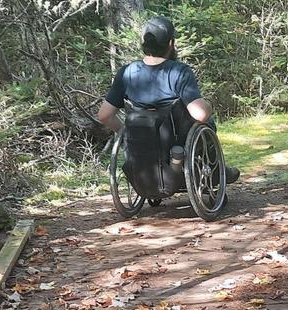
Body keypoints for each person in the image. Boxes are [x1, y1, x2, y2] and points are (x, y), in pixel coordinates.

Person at [96, 16, 240, 184]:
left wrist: (127, 134)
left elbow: (105, 116)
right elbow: (200, 114)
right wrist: (208, 105)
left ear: (144, 44)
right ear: (171, 44)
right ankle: (216, 174)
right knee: (207, 122)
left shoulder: (126, 73)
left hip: (140, 139)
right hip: (177, 143)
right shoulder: (179, 71)